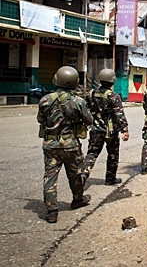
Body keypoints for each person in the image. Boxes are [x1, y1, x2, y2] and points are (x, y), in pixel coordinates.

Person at [37, 66, 93, 223]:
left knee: (50, 176)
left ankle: (52, 211)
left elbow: (40, 119)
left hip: (50, 144)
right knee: (74, 174)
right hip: (70, 145)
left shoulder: (45, 100)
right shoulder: (78, 101)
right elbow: (89, 120)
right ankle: (77, 199)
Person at [81, 68, 129, 186]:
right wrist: (125, 130)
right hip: (110, 131)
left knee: (91, 154)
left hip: (95, 130)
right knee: (113, 154)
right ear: (112, 81)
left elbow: (85, 110)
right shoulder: (113, 96)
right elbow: (119, 115)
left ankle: (83, 175)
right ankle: (110, 178)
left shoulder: (91, 94)